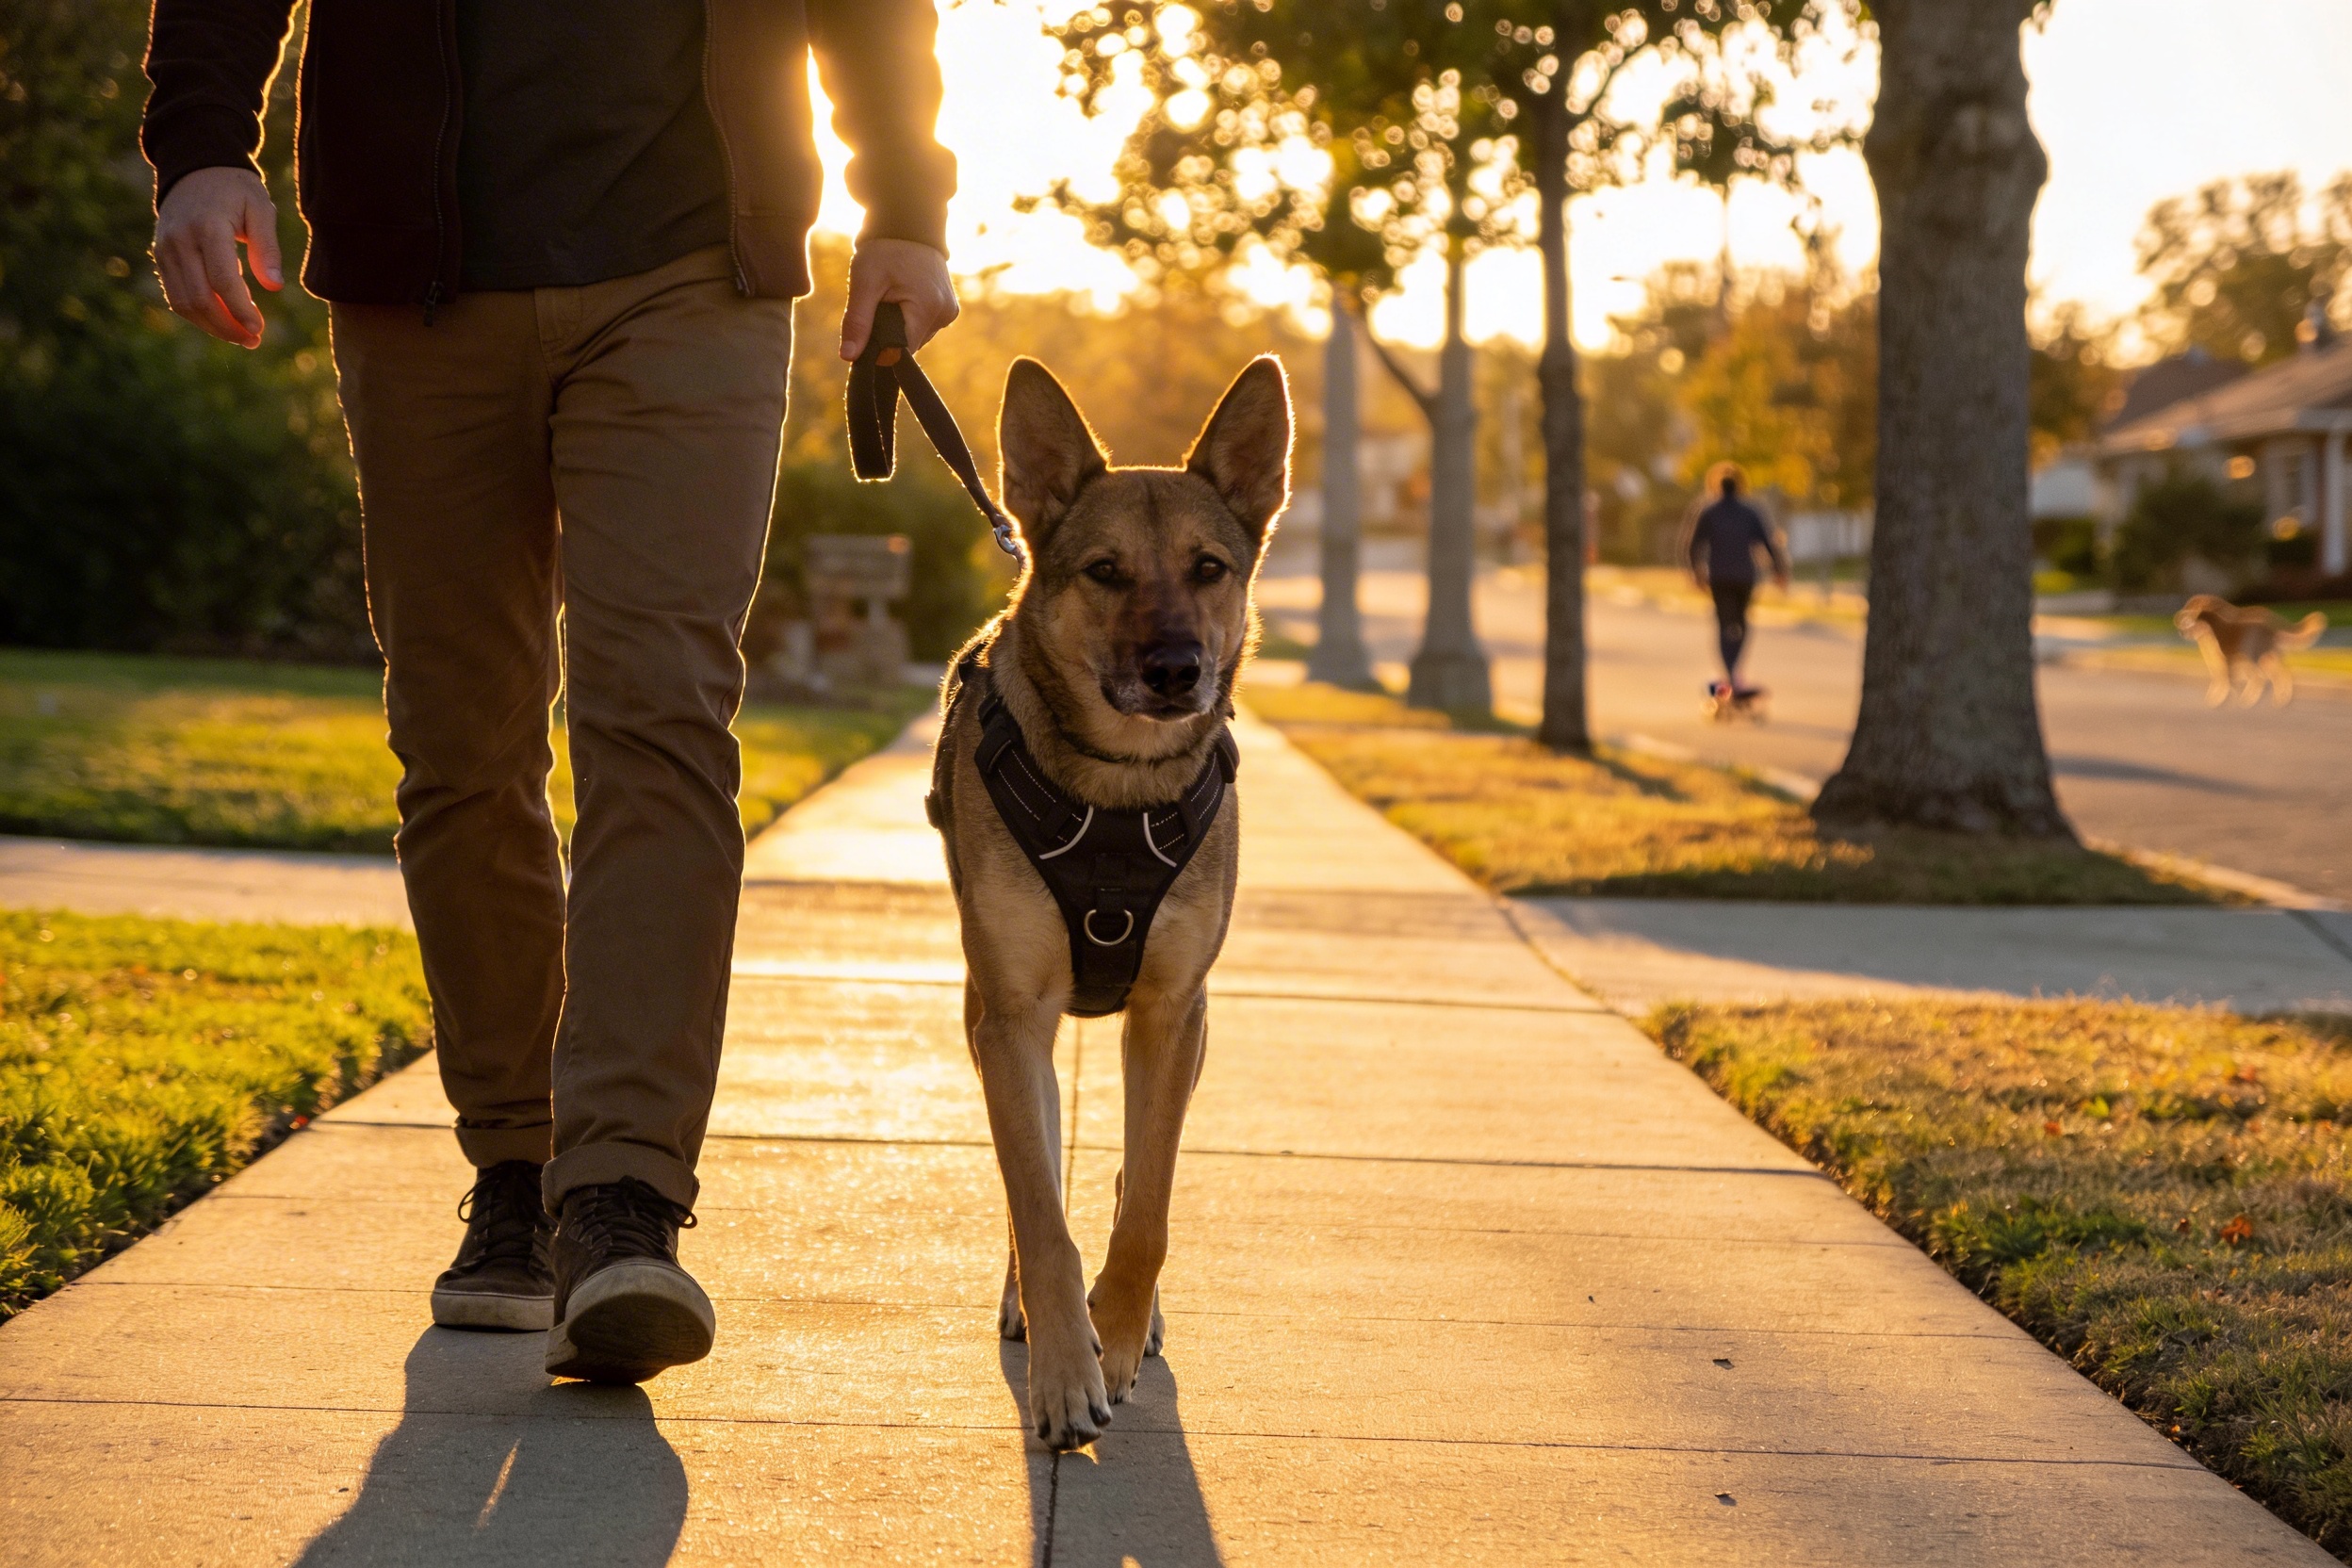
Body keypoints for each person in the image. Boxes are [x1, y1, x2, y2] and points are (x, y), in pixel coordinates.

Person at [142, 0, 961, 1383]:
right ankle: (517, 1172)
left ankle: (623, 1196)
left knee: (661, 721)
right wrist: (203, 144)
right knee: (459, 748)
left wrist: (906, 203)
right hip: (420, 273)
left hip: (693, 262)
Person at [1685, 464, 1789, 696]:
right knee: (1741, 625)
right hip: (1744, 576)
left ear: (1716, 486)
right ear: (1740, 486)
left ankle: (1730, 675)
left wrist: (1696, 572)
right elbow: (1767, 543)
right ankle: (1734, 673)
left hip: (1720, 577)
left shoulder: (1709, 512)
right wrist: (1779, 571)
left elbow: (1693, 546)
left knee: (1724, 625)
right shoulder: (1750, 512)